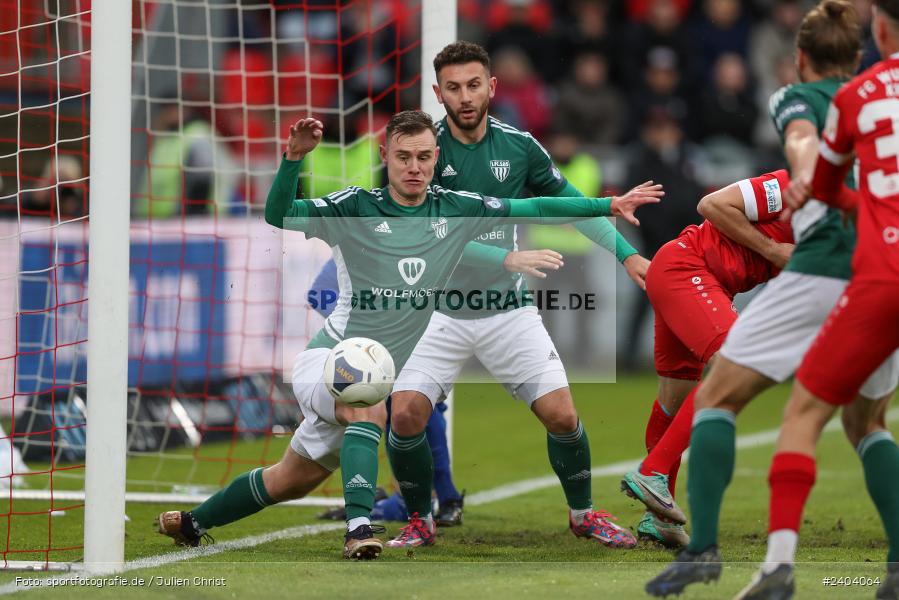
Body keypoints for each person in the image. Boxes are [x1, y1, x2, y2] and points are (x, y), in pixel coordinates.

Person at [154, 110, 662, 560]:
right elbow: (279, 215)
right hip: (334, 354)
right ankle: (359, 529)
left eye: (423, 156)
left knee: (292, 478)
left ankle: (193, 523)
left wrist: (605, 204)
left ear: (435, 157)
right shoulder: (355, 206)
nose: (414, 166)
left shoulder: (454, 208)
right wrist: (292, 159)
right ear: (386, 156)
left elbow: (532, 209)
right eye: (403, 157)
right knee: (372, 399)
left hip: (383, 363)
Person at [644, 2, 899, 596]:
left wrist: (810, 177)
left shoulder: (824, 96)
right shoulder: (874, 90)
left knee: (721, 398)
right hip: (888, 274)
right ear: (862, 46)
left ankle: (710, 552)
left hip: (830, 267)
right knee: (868, 424)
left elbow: (807, 146)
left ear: (801, 58)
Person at [386, 41, 652, 551]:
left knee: (563, 416)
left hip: (507, 309)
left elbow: (570, 206)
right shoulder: (423, 153)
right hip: (437, 310)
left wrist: (627, 256)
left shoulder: (520, 146)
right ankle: (421, 518)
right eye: (454, 88)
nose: (465, 97)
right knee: (404, 414)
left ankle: (583, 513)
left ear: (492, 86)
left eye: (473, 85)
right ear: (438, 93)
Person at [619, 170, 794, 548]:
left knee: (675, 397)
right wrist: (773, 249)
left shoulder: (852, 216)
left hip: (691, 276)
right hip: (689, 269)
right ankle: (652, 472)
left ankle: (657, 519)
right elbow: (711, 204)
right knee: (734, 367)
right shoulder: (790, 185)